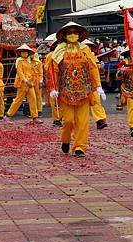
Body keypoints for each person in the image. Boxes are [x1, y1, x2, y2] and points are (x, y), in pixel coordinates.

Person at [48, 22, 104, 158]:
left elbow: (92, 68)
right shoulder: (60, 50)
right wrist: (53, 88)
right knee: (68, 121)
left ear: (79, 35)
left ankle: (80, 147)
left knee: (82, 122)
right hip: (66, 92)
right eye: (69, 33)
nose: (72, 35)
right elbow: (53, 70)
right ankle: (66, 140)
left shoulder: (85, 50)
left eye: (75, 33)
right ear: (65, 35)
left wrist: (98, 86)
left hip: (84, 91)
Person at [5, 44, 41, 123]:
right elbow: (20, 73)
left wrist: (31, 81)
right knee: (18, 99)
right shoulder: (19, 61)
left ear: (28, 53)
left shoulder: (29, 61)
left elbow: (31, 72)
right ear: (20, 53)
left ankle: (35, 117)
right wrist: (25, 81)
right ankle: (8, 115)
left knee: (33, 99)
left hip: (29, 83)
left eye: (26, 52)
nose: (24, 53)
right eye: (23, 52)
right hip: (22, 83)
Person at [116, 47, 133, 137]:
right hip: (128, 90)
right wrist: (121, 72)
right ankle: (132, 126)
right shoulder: (124, 63)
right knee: (132, 107)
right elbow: (118, 76)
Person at [83, 39, 108, 130]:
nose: (87, 48)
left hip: (93, 85)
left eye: (89, 47)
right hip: (81, 84)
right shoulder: (77, 56)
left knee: (96, 102)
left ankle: (100, 120)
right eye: (86, 46)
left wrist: (101, 66)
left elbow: (98, 71)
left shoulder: (93, 57)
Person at [44, 40, 62, 127]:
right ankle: (56, 119)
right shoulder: (51, 55)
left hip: (61, 79)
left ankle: (60, 117)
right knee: (55, 101)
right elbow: (49, 69)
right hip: (53, 79)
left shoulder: (60, 54)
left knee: (61, 100)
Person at [31, 50, 44, 116]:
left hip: (37, 80)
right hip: (31, 80)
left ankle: (39, 110)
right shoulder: (29, 62)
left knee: (38, 96)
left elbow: (41, 73)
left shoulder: (39, 63)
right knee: (32, 96)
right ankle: (34, 111)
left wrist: (41, 81)